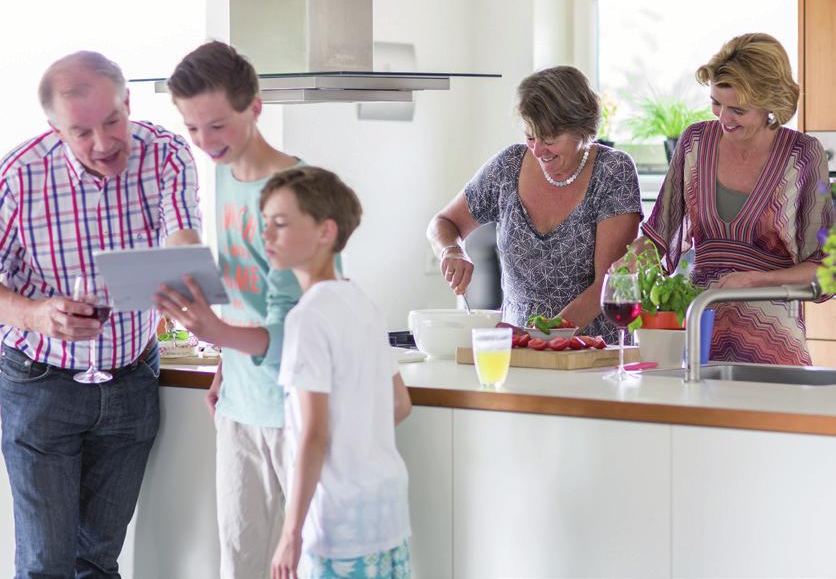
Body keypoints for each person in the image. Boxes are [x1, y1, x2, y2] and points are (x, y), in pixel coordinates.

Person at [0, 51, 201, 577]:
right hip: (41, 385)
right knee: (47, 564)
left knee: (98, 559)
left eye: (113, 121)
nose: (104, 144)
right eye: (81, 132)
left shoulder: (167, 153)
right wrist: (39, 314)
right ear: (53, 127)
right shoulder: (19, 178)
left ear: (128, 102)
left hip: (133, 379)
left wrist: (182, 274)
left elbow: (182, 234)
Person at [157, 40, 305, 578]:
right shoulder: (223, 176)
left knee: (309, 565)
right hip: (240, 407)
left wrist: (215, 330)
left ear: (255, 107)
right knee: (239, 565)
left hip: (298, 410)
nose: (204, 142)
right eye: (192, 129)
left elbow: (298, 330)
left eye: (216, 126)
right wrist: (226, 362)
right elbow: (249, 297)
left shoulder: (298, 193)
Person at [617, 33, 833, 365]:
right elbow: (658, 233)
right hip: (696, 329)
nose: (723, 119)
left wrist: (756, 280)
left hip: (772, 339)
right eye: (717, 103)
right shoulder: (694, 143)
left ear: (769, 105)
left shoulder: (803, 156)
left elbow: (825, 269)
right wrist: (628, 263)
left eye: (738, 110)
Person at [261, 167, 412, 579]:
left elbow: (314, 435)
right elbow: (400, 403)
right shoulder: (361, 302)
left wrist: (290, 534)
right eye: (265, 224)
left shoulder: (306, 318)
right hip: (387, 511)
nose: (267, 236)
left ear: (325, 232)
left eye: (281, 223)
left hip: (338, 524)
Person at [426, 66, 642, 342]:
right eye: (530, 137)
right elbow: (443, 223)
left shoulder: (613, 171)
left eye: (549, 140)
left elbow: (608, 283)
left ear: (581, 129)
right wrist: (451, 250)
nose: (538, 151)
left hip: (592, 355)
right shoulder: (508, 167)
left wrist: (542, 336)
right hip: (518, 351)